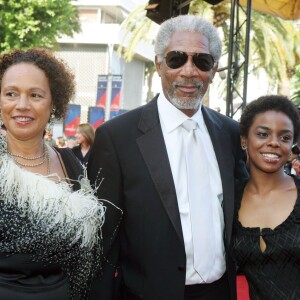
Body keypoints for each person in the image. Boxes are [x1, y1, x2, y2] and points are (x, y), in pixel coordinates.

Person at [88, 15, 248, 300]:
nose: (189, 71)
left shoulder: (231, 134)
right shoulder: (117, 137)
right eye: (177, 59)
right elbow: (101, 241)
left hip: (219, 292)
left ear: (213, 70)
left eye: (202, 61)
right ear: (158, 63)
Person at [0, 48, 109, 299]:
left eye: (35, 95)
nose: (22, 105)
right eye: (11, 94)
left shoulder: (69, 162)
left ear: (54, 104)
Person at [231, 95, 300, 299]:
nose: (274, 143)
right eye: (263, 134)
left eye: (285, 137)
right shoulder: (229, 198)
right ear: (244, 139)